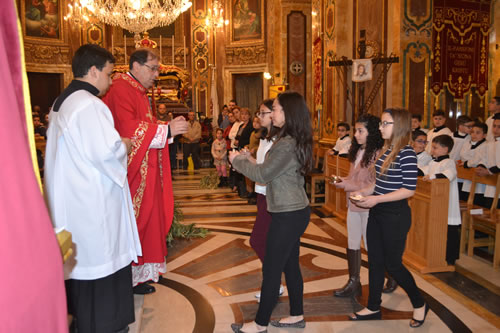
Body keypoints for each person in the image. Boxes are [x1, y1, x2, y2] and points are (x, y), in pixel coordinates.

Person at [44, 44, 142, 333]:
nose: (110, 82)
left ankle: (86, 323)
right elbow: (105, 153)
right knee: (101, 264)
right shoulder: (89, 104)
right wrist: (124, 144)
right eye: (109, 74)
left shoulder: (62, 101)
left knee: (82, 270)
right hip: (93, 204)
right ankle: (106, 326)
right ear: (94, 70)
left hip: (72, 201)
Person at [102, 48, 189, 294]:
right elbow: (128, 128)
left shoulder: (140, 91)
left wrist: (166, 128)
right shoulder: (120, 88)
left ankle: (137, 277)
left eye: (157, 70)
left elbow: (147, 125)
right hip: (130, 170)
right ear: (136, 66)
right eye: (153, 69)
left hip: (145, 168)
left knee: (148, 219)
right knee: (134, 222)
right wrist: (167, 130)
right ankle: (126, 277)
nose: (156, 75)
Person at [229, 91, 312, 333]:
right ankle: (296, 315)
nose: (271, 113)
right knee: (290, 266)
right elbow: (268, 170)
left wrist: (237, 161)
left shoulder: (286, 144)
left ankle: (260, 323)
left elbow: (263, 175)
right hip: (291, 210)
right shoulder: (288, 139)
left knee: (272, 268)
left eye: (274, 109)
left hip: (289, 214)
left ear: (287, 113)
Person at [349, 108, 429, 328]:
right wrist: (366, 192)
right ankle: (373, 307)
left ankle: (420, 303)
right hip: (378, 213)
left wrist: (376, 200)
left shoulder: (407, 153)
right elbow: (380, 183)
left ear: (399, 126)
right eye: (381, 124)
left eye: (386, 124)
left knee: (393, 266)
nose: (380, 127)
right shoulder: (386, 151)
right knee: (375, 262)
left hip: (395, 215)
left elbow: (408, 189)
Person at [332, 114, 384, 298]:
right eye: (355, 130)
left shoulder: (378, 155)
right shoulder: (358, 151)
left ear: (373, 133)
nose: (356, 134)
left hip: (368, 206)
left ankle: (385, 277)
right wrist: (342, 180)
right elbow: (354, 179)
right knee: (352, 242)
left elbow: (373, 185)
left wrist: (346, 185)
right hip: (354, 203)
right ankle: (354, 281)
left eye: (360, 131)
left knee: (371, 245)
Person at [419, 135, 461, 265]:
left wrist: (431, 176)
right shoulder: (433, 162)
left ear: (445, 149)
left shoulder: (449, 162)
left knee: (449, 231)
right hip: (436, 203)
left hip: (447, 203)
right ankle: (436, 255)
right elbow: (422, 171)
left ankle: (449, 258)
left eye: (435, 148)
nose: (432, 150)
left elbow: (448, 175)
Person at [458, 122, 488, 204]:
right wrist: (468, 162)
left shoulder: (486, 145)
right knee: (465, 200)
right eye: (472, 132)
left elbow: (478, 160)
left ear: (484, 135)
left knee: (477, 201)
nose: (474, 135)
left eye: (478, 133)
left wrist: (467, 163)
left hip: (480, 180)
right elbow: (462, 155)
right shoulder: (467, 143)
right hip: (467, 178)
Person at [477, 113, 500, 208]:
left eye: (499, 127)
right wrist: (481, 167)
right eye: (494, 126)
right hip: (491, 184)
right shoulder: (490, 143)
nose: (495, 129)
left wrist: (488, 171)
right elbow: (484, 158)